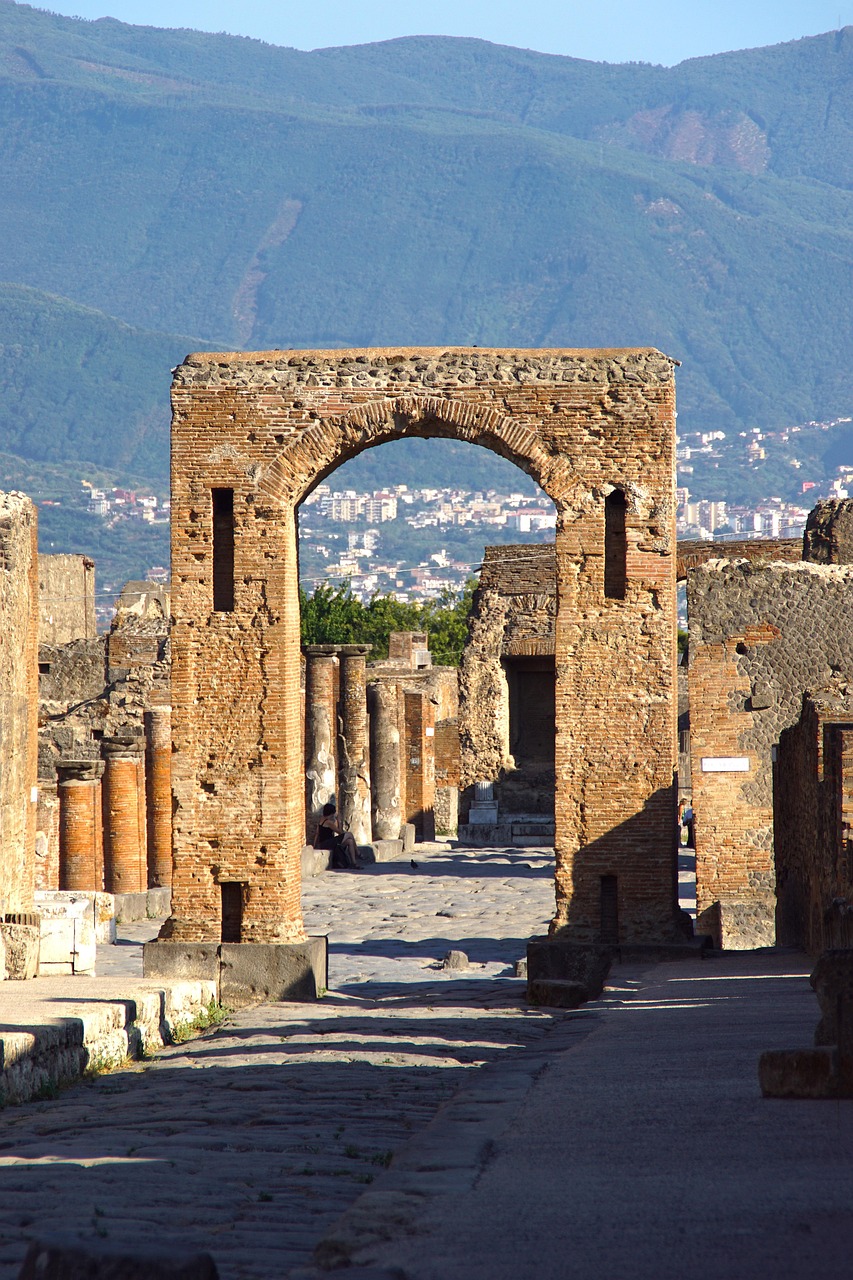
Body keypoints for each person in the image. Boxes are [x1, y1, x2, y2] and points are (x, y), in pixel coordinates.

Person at [314, 802, 361, 869]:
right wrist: (339, 821)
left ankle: (353, 863)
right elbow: (340, 832)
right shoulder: (329, 822)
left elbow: (317, 833)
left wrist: (315, 845)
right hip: (327, 843)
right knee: (349, 834)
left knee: (350, 841)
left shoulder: (321, 819)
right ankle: (357, 852)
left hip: (324, 843)